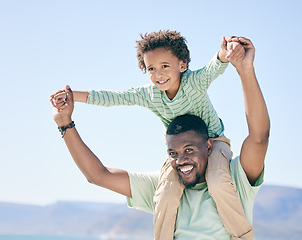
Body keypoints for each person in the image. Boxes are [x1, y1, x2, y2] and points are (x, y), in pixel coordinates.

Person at [50, 37, 270, 239]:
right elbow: (99, 173)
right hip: (191, 153)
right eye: (151, 68)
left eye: (189, 150)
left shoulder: (233, 180)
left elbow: (258, 136)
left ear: (182, 65)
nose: (158, 74)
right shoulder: (150, 96)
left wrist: (235, 60)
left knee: (217, 182)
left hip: (217, 140)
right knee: (165, 192)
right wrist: (67, 113)